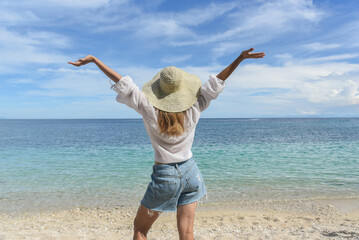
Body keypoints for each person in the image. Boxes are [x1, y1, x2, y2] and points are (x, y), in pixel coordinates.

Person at [68, 48, 265, 240]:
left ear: (159, 90)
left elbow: (122, 83)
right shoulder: (195, 106)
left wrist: (95, 60)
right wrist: (240, 58)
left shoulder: (148, 107)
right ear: (183, 89)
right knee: (187, 233)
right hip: (192, 173)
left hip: (165, 177)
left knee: (140, 230)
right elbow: (217, 82)